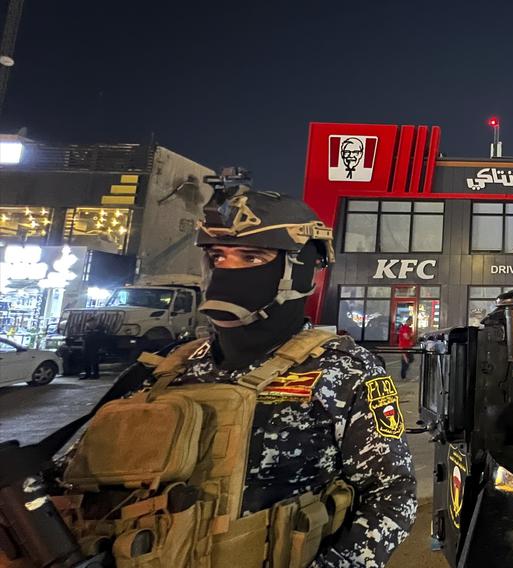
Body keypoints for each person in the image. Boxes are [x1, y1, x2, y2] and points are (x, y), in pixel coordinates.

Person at [54, 173, 417, 567]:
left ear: (300, 270)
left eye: (252, 257)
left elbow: (391, 493)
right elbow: (69, 480)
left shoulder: (341, 369)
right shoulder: (166, 369)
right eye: (218, 257)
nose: (228, 270)